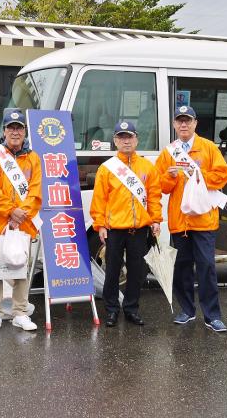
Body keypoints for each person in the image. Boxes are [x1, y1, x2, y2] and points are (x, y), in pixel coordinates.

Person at [155, 105, 227, 332]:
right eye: (180, 121)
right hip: (180, 222)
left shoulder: (208, 148)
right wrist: (170, 177)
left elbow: (222, 175)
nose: (184, 125)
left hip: (204, 220)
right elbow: (161, 186)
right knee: (182, 268)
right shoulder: (169, 152)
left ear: (195, 123)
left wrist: (196, 174)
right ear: (175, 125)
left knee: (207, 267)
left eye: (188, 120)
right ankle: (187, 310)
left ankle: (212, 315)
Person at [90, 120, 162, 327]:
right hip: (115, 230)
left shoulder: (147, 167)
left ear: (136, 139)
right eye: (121, 137)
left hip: (139, 230)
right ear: (115, 141)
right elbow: (99, 200)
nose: (126, 141)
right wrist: (100, 225)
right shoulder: (107, 169)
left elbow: (154, 196)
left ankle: (131, 308)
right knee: (112, 271)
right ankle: (112, 310)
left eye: (129, 136)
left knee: (137, 271)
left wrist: (155, 219)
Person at [0, 110, 42, 333]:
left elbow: (36, 191)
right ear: (4, 131)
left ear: (25, 132)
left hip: (22, 224)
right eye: (11, 128)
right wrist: (11, 212)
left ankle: (20, 312)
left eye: (19, 128)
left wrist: (21, 214)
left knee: (21, 270)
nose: (15, 132)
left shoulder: (33, 158)